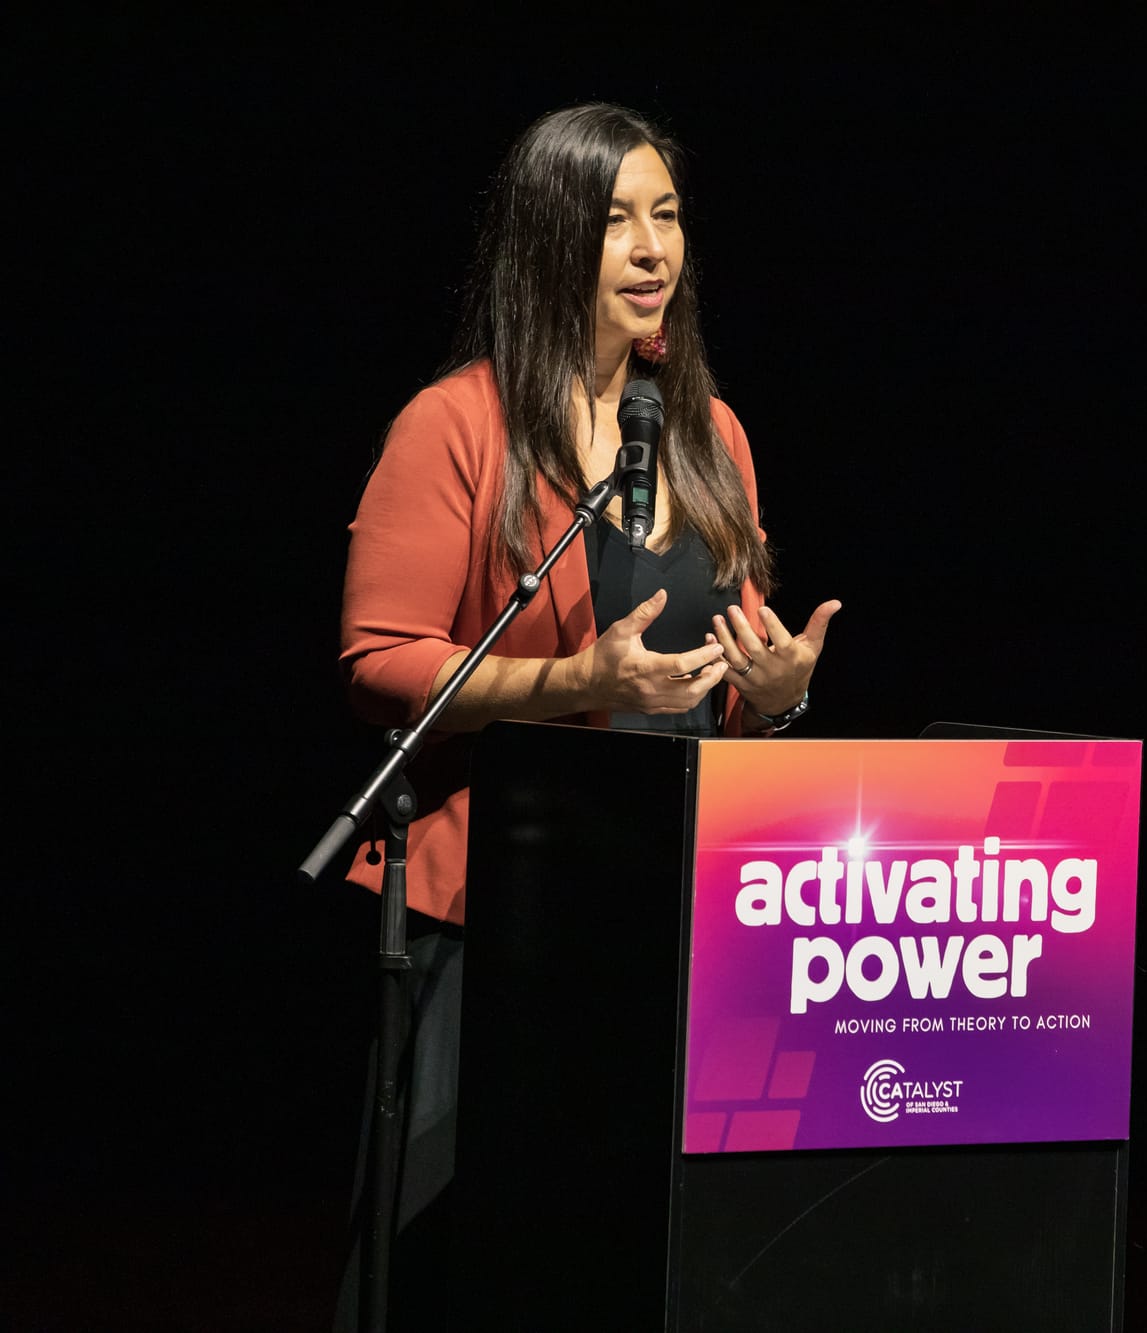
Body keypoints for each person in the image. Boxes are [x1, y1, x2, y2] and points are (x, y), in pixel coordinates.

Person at [329, 102, 840, 1328]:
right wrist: (574, 685)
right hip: (496, 911)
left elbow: (731, 672)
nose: (653, 250)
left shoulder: (711, 434)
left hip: (677, 916)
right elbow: (379, 661)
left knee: (637, 1254)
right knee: (465, 1255)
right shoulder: (456, 425)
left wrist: (777, 697)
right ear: (549, 244)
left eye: (666, 218)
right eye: (617, 223)